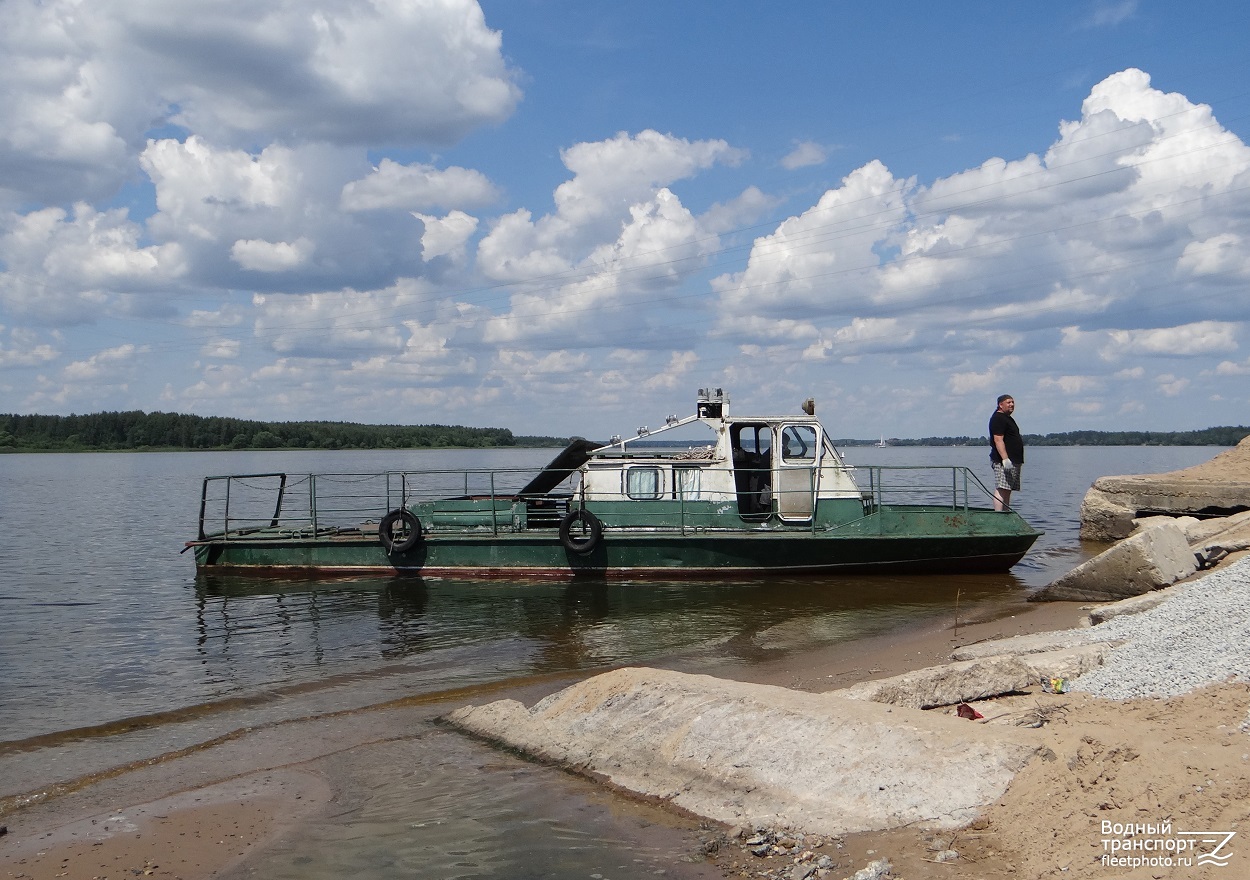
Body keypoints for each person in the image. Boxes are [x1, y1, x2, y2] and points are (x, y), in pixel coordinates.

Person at [988, 394, 1023, 511]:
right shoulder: (998, 418)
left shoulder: (1007, 418)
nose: (1012, 405)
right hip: (1002, 461)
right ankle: (998, 515)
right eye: (1008, 402)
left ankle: (1005, 514)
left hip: (1014, 460)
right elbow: (998, 439)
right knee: (1002, 488)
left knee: (1007, 489)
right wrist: (1005, 459)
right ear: (1000, 404)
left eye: (1013, 402)